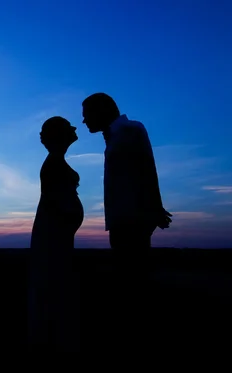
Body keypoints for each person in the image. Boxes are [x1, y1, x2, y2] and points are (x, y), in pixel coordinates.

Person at [81, 92, 172, 347]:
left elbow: (147, 169)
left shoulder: (131, 131)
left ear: (101, 110)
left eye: (87, 114)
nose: (84, 120)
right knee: (127, 277)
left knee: (133, 280)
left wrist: (155, 207)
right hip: (122, 219)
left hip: (132, 218)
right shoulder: (114, 136)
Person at [28, 116, 84, 352]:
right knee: (52, 288)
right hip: (53, 238)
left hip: (58, 237)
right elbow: (56, 204)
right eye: (68, 126)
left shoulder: (55, 162)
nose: (74, 127)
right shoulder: (53, 164)